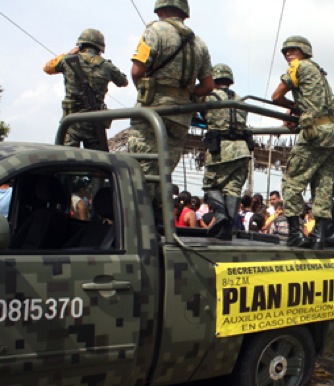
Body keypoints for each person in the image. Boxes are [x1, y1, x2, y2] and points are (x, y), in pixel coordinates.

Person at [128, 0, 214, 219]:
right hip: (181, 116)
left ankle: (141, 224)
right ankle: (158, 221)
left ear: (160, 9)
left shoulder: (154, 31)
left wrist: (147, 93)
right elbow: (207, 86)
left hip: (152, 111)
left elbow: (137, 71)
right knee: (163, 171)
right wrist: (186, 96)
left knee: (142, 170)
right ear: (185, 13)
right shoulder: (200, 44)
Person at [272, 35, 334, 249]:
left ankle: (296, 234)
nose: (288, 54)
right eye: (286, 51)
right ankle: (319, 237)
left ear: (303, 51)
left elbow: (277, 96)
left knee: (292, 181)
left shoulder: (297, 67)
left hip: (314, 133)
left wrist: (294, 108)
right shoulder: (321, 75)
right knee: (323, 186)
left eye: (292, 50)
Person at [43, 28, 128, 150]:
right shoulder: (107, 67)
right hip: (95, 124)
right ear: (100, 48)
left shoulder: (68, 61)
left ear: (81, 45)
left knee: (66, 162)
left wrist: (69, 53)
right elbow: (123, 82)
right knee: (98, 163)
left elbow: (47, 68)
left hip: (71, 123)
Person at [200, 63, 252, 240]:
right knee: (233, 188)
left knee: (211, 186)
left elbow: (201, 115)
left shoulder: (210, 97)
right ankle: (227, 231)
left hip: (222, 149)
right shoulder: (241, 100)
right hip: (243, 149)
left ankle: (220, 214)